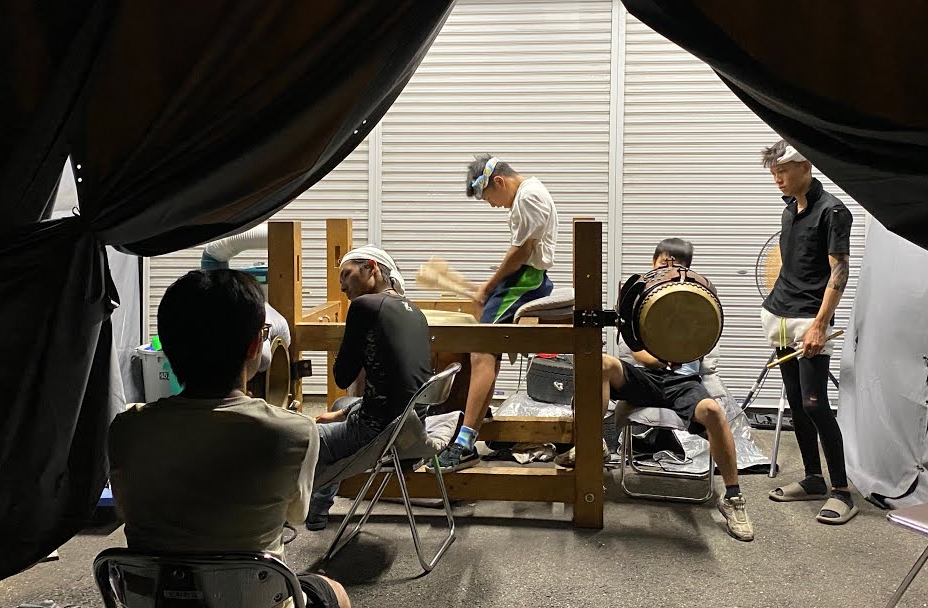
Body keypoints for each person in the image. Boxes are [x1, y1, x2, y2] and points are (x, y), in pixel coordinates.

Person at [108, 269, 350, 608]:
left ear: (167, 342)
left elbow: (124, 510)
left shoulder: (126, 428)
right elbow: (296, 516)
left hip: (157, 598)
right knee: (332, 589)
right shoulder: (293, 432)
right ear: (254, 346)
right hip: (251, 597)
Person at [560, 238, 754, 541]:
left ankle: (733, 497)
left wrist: (678, 350)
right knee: (600, 364)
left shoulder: (695, 299)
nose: (670, 269)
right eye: (664, 263)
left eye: (678, 265)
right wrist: (664, 356)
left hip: (684, 384)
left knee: (713, 411)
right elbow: (638, 353)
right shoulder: (640, 301)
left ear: (688, 271)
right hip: (646, 377)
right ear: (654, 264)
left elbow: (701, 342)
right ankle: (592, 442)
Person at [434, 155, 559, 472]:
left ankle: (464, 442)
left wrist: (488, 287)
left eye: (489, 198)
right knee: (485, 349)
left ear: (499, 182)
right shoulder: (530, 193)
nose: (493, 205)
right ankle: (478, 412)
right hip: (524, 278)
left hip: (527, 281)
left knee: (480, 350)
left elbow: (521, 253)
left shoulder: (528, 196)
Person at [760, 140, 857, 525]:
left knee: (816, 404)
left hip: (809, 322)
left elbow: (839, 272)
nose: (778, 178)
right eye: (774, 173)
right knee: (798, 403)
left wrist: (819, 325)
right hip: (781, 317)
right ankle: (814, 480)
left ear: (807, 165)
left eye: (784, 170)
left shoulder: (832, 211)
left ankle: (842, 491)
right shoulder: (790, 211)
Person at [305, 245, 432, 530]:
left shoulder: (365, 307)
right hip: (413, 426)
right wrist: (341, 416)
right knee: (340, 407)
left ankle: (281, 519)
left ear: (371, 268)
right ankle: (317, 514)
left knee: (299, 439)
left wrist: (350, 342)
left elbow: (341, 377)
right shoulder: (415, 311)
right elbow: (397, 387)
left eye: (346, 275)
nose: (342, 286)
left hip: (379, 432)